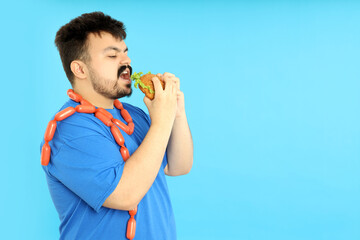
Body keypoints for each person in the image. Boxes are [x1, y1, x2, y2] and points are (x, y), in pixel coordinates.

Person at [40, 11, 193, 240]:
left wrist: (176, 113)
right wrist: (161, 121)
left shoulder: (135, 116)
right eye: (112, 56)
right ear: (79, 69)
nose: (127, 62)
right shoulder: (69, 131)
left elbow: (179, 166)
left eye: (125, 53)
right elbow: (125, 195)